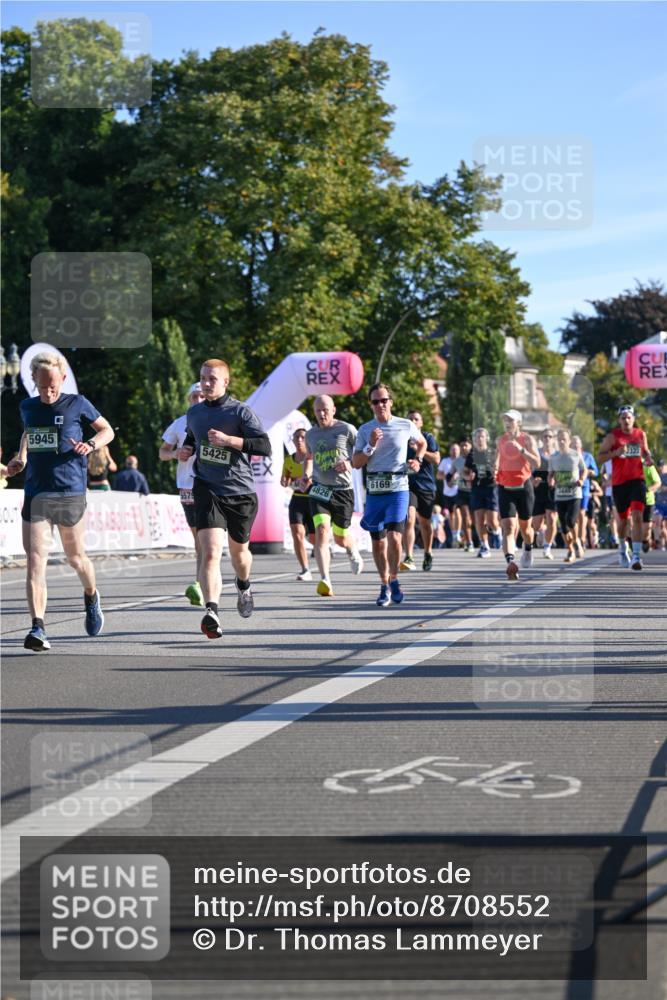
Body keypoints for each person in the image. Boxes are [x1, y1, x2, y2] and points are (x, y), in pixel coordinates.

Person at [5, 351, 113, 651]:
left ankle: (91, 596)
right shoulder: (27, 406)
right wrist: (20, 458)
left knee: (76, 559)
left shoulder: (78, 403)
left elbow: (108, 431)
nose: (49, 392)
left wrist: (89, 444)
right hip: (36, 492)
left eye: (53, 386)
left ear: (63, 379)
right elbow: (30, 432)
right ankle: (38, 627)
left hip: (70, 491)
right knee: (35, 561)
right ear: (34, 381)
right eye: (43, 386)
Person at [178, 358, 271, 637]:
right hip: (207, 487)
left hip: (240, 492)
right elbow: (192, 439)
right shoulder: (194, 413)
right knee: (210, 553)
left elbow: (263, 446)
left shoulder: (241, 412)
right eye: (203, 378)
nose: (206, 384)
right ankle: (212, 611)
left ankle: (243, 584)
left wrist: (229, 441)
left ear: (226, 382)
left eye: (212, 379)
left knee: (239, 554)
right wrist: (186, 450)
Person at [352, 383, 426, 606]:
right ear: (371, 405)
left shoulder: (405, 425)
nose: (380, 404)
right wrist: (370, 446)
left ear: (391, 402)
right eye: (376, 401)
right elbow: (356, 463)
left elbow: (422, 442)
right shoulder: (365, 430)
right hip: (375, 490)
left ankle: (394, 579)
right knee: (378, 543)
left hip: (398, 486)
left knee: (395, 538)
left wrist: (418, 459)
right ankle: (384, 583)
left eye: (384, 400)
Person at [302, 395, 363, 597]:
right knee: (321, 530)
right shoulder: (310, 435)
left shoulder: (347, 429)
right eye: (318, 410)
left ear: (334, 410)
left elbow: (363, 454)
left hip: (343, 491)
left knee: (340, 538)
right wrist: (306, 475)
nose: (321, 414)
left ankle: (351, 549)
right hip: (320, 489)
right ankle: (325, 579)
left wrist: (350, 463)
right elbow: (309, 458)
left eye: (325, 409)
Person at [160, 382, 206, 606]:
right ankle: (201, 583)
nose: (197, 400)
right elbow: (162, 453)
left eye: (201, 396)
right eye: (194, 397)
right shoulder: (179, 424)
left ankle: (203, 582)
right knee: (199, 539)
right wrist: (177, 453)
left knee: (209, 538)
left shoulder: (217, 422)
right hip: (187, 486)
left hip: (213, 484)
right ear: (189, 400)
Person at [598, 404, 653, 570]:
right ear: (619, 420)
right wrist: (615, 453)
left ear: (633, 419)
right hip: (620, 483)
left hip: (638, 480)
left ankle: (636, 556)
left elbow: (646, 452)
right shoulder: (613, 437)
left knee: (637, 516)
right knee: (622, 522)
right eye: (623, 418)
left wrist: (648, 458)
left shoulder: (640, 434)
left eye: (629, 417)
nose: (626, 420)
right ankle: (623, 549)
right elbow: (600, 457)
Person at [494, 409, 540, 580]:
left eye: (511, 420)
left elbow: (537, 462)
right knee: (508, 527)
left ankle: (528, 548)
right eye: (505, 420)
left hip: (524, 486)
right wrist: (495, 469)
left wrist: (521, 450)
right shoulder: (500, 440)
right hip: (505, 486)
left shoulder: (527, 439)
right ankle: (510, 562)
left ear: (518, 423)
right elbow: (498, 458)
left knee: (526, 528)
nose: (507, 423)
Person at [401, 409, 441, 571]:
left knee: (425, 522)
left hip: (426, 485)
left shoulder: (428, 438)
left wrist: (420, 450)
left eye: (416, 419)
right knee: (409, 519)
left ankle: (428, 552)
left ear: (421, 423)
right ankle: (409, 556)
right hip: (407, 484)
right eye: (410, 419)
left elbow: (437, 459)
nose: (413, 422)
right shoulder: (402, 440)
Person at [281, 427, 316, 581]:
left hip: (313, 499)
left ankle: (321, 547)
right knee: (297, 534)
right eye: (296, 438)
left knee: (314, 538)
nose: (299, 440)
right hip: (297, 499)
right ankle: (305, 569)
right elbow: (285, 479)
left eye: (302, 437)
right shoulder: (289, 460)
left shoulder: (314, 457)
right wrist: (285, 481)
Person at [548, 429, 586, 563]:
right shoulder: (553, 457)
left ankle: (576, 542)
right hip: (560, 495)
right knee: (563, 526)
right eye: (559, 439)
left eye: (564, 439)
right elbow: (551, 473)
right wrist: (550, 480)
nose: (561, 441)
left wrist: (581, 479)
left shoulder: (576, 455)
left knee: (570, 520)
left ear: (569, 441)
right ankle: (570, 550)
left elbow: (584, 469)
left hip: (575, 494)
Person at [465, 427, 500, 558]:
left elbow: (499, 467)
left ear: (486, 439)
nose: (479, 439)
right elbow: (465, 470)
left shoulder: (493, 452)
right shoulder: (471, 454)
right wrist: (468, 476)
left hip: (491, 488)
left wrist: (497, 473)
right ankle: (484, 545)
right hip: (477, 488)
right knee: (479, 519)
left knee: (492, 521)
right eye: (477, 437)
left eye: (482, 437)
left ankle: (497, 532)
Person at [531, 428, 558, 559]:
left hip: (553, 490)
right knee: (536, 524)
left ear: (554, 439)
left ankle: (547, 547)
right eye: (545, 436)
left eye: (550, 436)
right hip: (538, 491)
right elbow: (527, 472)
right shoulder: (536, 454)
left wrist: (556, 479)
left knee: (552, 519)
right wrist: (532, 481)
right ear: (541, 439)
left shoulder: (558, 455)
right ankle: (541, 531)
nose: (547, 439)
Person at [571, 435, 599, 558]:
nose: (576, 445)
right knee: (574, 517)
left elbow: (595, 471)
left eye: (577, 443)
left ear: (581, 445)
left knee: (582, 514)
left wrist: (587, 471)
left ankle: (582, 540)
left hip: (584, 488)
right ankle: (575, 539)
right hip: (571, 489)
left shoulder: (588, 456)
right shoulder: (568, 456)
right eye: (573, 444)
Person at [451, 438, 474, 551]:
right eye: (462, 445)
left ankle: (489, 538)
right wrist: (450, 480)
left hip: (475, 491)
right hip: (462, 491)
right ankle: (469, 542)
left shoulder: (476, 459)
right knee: (465, 517)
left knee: (475, 519)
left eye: (466, 445)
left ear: (470, 446)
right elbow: (450, 474)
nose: (464, 448)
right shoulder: (457, 461)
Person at [436, 444, 460, 540]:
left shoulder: (462, 461)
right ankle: (454, 533)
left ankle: (458, 533)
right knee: (451, 514)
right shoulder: (445, 461)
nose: (454, 451)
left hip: (459, 491)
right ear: (450, 451)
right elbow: (438, 476)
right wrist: (448, 477)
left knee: (457, 511)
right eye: (452, 449)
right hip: (447, 492)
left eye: (456, 449)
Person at [642, 460, 661, 552]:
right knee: (633, 523)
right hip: (633, 499)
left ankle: (645, 541)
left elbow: (658, 482)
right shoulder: (627, 464)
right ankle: (632, 544)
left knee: (647, 527)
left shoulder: (648, 466)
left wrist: (647, 489)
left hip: (648, 500)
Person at [654, 459, 667, 551]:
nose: (661, 468)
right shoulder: (657, 476)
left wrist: (663, 488)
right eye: (659, 466)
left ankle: (664, 543)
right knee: (658, 522)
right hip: (658, 504)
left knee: (664, 527)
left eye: (662, 466)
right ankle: (658, 542)